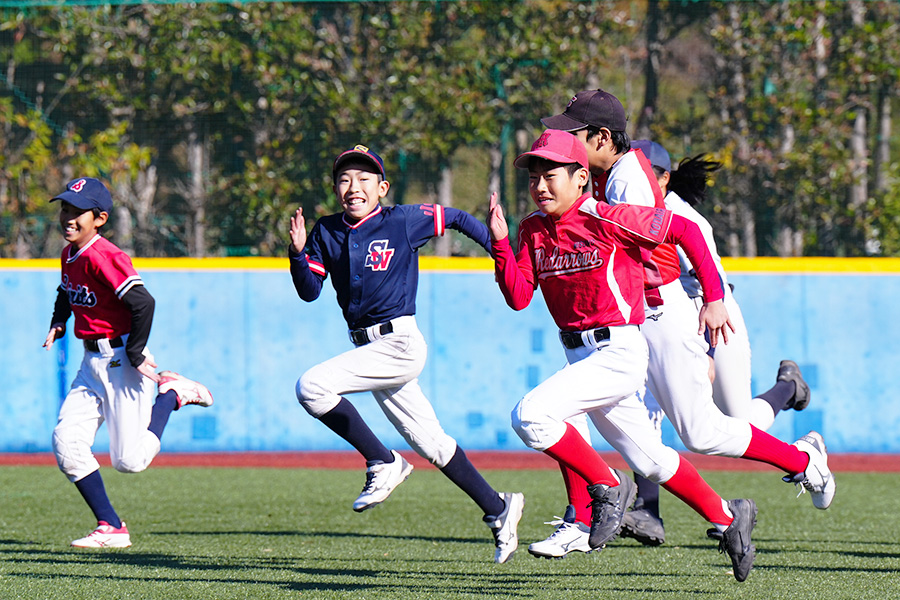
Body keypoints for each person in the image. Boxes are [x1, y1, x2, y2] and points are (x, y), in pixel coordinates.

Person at [526, 89, 833, 557]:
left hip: (658, 310)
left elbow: (675, 240)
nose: (565, 140)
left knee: (702, 432)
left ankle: (801, 459)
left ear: (602, 138)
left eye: (574, 132)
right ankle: (596, 511)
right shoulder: (608, 176)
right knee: (598, 415)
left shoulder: (627, 179)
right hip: (634, 314)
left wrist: (710, 302)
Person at [487, 128, 757, 581]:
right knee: (651, 458)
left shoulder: (607, 217)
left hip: (619, 351)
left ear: (580, 177)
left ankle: (608, 487)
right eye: (534, 176)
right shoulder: (533, 229)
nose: (540, 185)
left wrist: (714, 298)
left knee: (531, 416)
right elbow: (518, 296)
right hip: (582, 357)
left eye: (551, 174)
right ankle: (730, 518)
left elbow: (685, 230)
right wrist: (499, 243)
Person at [287, 144, 524, 563]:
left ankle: (382, 461)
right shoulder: (326, 231)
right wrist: (297, 254)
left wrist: (500, 249)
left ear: (383, 187)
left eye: (364, 179)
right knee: (432, 444)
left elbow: (455, 218)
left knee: (312, 387)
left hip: (399, 343)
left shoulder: (401, 221)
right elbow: (309, 293)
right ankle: (499, 507)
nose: (353, 187)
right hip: (369, 348)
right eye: (344, 179)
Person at [620, 139, 814, 545]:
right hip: (665, 321)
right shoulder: (626, 207)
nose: (637, 181)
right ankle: (648, 510)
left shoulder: (683, 216)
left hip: (715, 318)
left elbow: (715, 291)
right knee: (642, 403)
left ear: (663, 178)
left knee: (735, 423)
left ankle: (788, 388)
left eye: (646, 174)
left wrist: (708, 351)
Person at [44, 177, 214, 549]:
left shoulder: (104, 254)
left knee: (130, 461)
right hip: (91, 363)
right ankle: (111, 526)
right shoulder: (70, 253)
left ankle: (171, 394)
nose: (68, 217)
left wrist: (136, 352)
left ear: (100, 218)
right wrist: (59, 320)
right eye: (65, 209)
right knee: (67, 444)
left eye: (77, 212)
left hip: (123, 361)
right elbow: (65, 289)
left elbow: (142, 303)